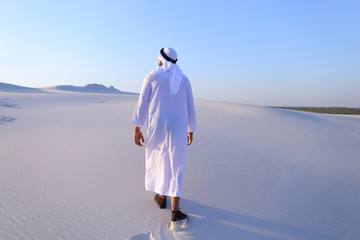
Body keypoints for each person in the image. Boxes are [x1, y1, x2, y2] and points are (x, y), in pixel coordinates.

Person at [131, 48, 197, 223]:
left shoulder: (152, 76)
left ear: (160, 59)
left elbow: (142, 104)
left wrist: (137, 128)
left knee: (159, 158)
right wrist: (191, 129)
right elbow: (190, 106)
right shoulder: (184, 79)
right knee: (176, 164)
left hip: (157, 127)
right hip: (179, 128)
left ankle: (161, 197)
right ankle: (174, 210)